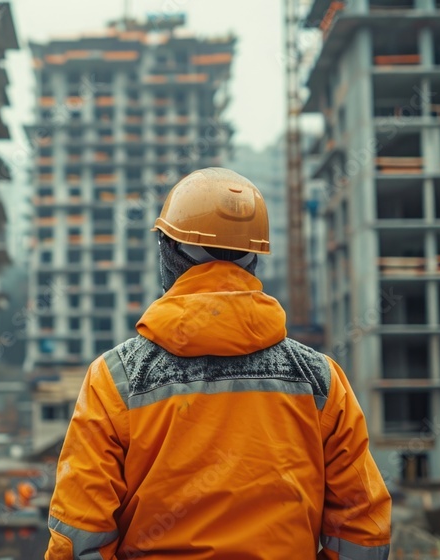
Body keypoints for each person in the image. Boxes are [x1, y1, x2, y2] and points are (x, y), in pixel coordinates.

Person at [44, 168, 391, 559]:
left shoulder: (116, 378)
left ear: (168, 252)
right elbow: (364, 525)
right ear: (254, 257)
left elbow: (79, 536)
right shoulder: (319, 380)